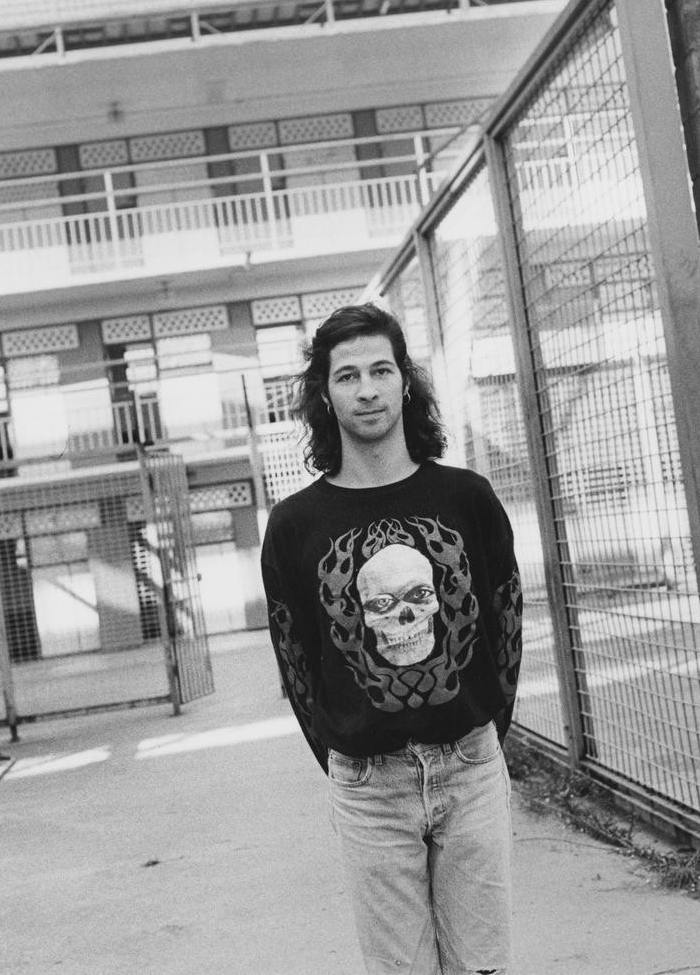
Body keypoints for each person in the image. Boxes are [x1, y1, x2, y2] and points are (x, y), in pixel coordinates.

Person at [261, 303, 522, 975]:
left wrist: (481, 735)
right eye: (348, 375)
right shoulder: (295, 525)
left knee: (483, 967)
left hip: (470, 771)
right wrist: (351, 753)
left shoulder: (467, 498)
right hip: (368, 787)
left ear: (407, 381)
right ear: (325, 394)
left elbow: (506, 625)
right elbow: (297, 664)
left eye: (381, 369)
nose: (368, 388)